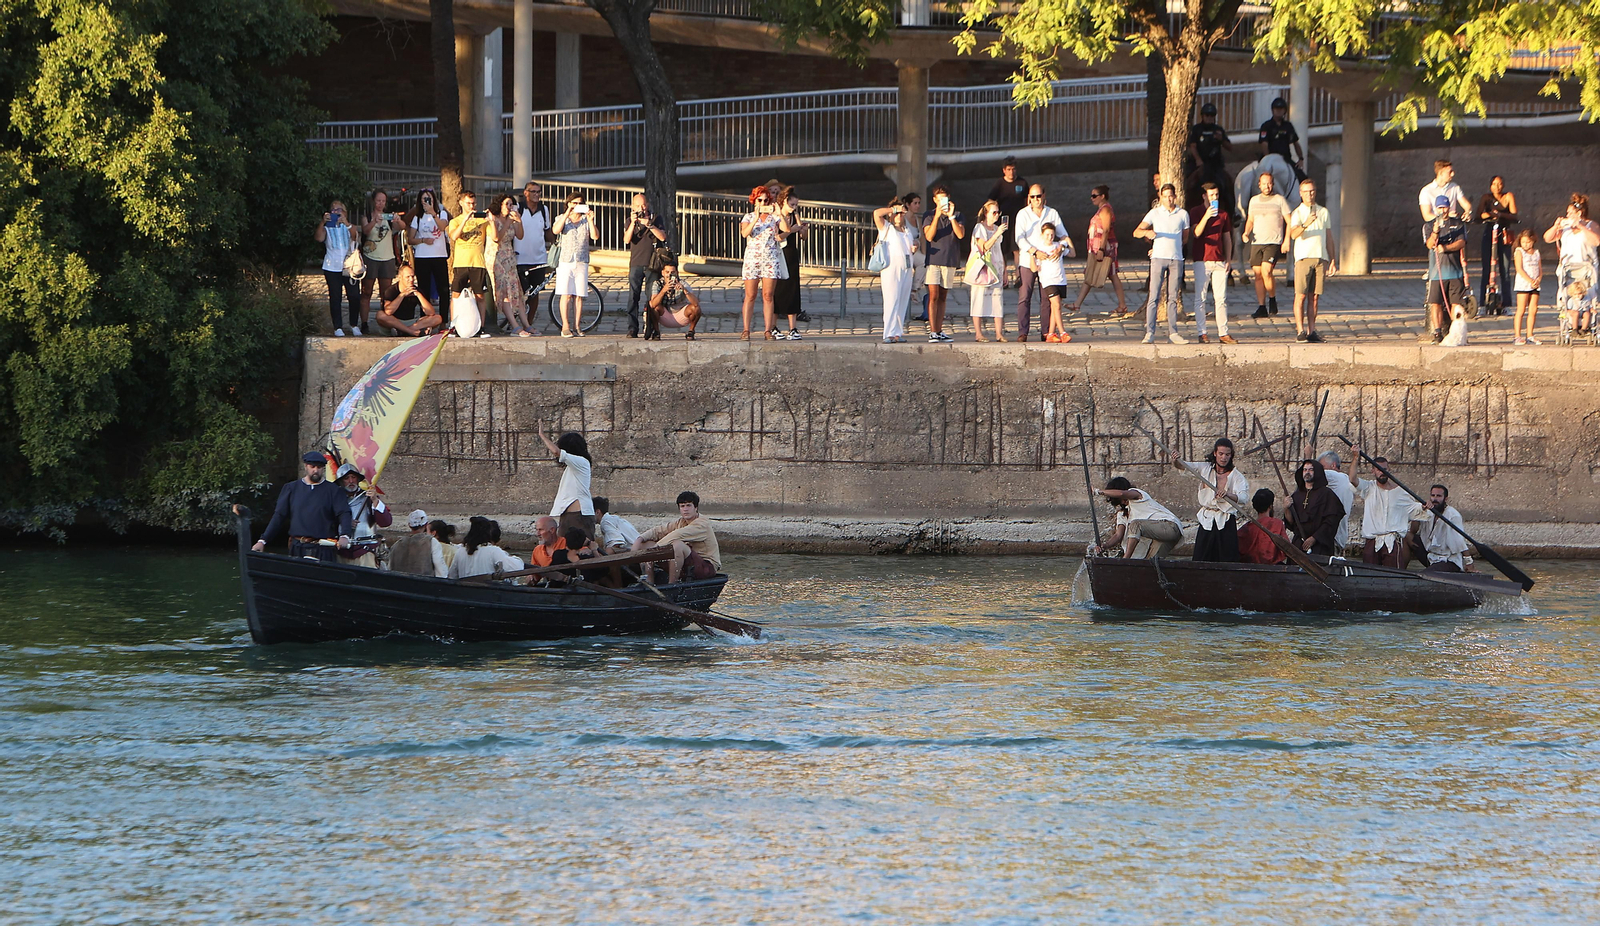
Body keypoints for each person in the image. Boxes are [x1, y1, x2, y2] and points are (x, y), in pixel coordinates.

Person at [253, 451, 354, 560]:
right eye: (312, 466)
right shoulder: (291, 488)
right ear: (306, 466)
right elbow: (279, 516)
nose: (315, 470)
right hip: (298, 548)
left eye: (319, 467)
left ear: (323, 468)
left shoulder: (333, 490)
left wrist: (345, 535)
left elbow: (344, 513)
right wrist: (262, 541)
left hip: (324, 548)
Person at [1175, 438, 1249, 562]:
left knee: (1227, 558)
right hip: (1207, 519)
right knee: (1201, 557)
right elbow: (1184, 467)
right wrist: (1176, 460)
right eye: (1221, 454)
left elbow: (1243, 498)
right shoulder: (1205, 468)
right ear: (1215, 453)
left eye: (1227, 454)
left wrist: (1228, 495)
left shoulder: (1237, 476)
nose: (1224, 458)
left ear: (1231, 455)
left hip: (1225, 520)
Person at [1134, 183, 1190, 345]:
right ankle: (1150, 332)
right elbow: (1136, 231)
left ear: (1175, 196)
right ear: (1161, 197)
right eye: (1165, 196)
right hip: (1158, 258)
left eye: (1171, 195)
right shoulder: (1155, 213)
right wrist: (1147, 233)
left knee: (1172, 297)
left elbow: (1185, 237)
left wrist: (1176, 247)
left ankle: (1173, 332)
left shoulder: (1182, 214)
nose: (1168, 199)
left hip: (1176, 258)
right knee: (1154, 296)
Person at [1014, 185, 1069, 342]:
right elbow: (1019, 237)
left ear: (1044, 195)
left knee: (1047, 297)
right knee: (1025, 295)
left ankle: (1047, 332)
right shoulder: (1023, 214)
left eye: (1038, 196)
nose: (1035, 200)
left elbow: (1064, 235)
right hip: (1029, 260)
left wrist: (1061, 247)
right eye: (1032, 197)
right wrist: (1033, 251)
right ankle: (1022, 331)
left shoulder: (1052, 213)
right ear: (1028, 198)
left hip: (1048, 264)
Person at [631, 491, 722, 583]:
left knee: (677, 545)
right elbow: (658, 531)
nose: (685, 509)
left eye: (688, 505)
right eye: (682, 506)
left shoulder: (702, 524)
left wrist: (654, 550)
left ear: (696, 508)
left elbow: (678, 535)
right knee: (645, 545)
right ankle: (649, 580)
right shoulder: (681, 522)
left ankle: (672, 584)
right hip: (687, 564)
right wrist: (639, 539)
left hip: (706, 567)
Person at [1543, 193, 1600, 340]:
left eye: (1570, 213)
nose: (1567, 215)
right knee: (1566, 295)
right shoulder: (1565, 229)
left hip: (1587, 269)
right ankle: (1570, 324)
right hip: (1569, 269)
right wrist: (1556, 226)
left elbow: (1596, 241)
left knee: (1589, 296)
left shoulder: (1590, 225)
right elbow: (1547, 238)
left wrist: (1580, 226)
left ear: (1579, 213)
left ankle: (1588, 325)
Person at [1345, 449, 1412, 568]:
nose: (1382, 472)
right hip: (1372, 540)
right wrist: (1356, 457)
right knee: (1369, 575)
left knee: (1393, 575)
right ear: (1373, 471)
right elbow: (1352, 479)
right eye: (1378, 469)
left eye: (1385, 469)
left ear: (1389, 470)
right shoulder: (1368, 488)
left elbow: (1415, 510)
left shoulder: (1401, 492)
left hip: (1392, 541)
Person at [738, 186, 790, 341]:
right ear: (754, 200)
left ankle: (768, 330)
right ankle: (746, 330)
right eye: (760, 200)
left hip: (770, 258)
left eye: (766, 200)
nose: (763, 202)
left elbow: (786, 229)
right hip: (753, 259)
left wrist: (779, 213)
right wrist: (756, 217)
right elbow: (745, 233)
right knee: (750, 295)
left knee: (768, 295)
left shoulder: (774, 218)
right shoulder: (748, 217)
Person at [1288, 178, 1336, 343]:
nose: (1310, 194)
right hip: (1303, 257)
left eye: (1312, 191)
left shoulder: (1323, 212)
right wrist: (1306, 224)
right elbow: (1293, 234)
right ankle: (1300, 330)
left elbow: (1329, 237)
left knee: (1314, 296)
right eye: (1306, 192)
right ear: (1301, 194)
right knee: (1300, 295)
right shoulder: (1297, 213)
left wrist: (1332, 259)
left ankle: (1312, 330)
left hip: (1319, 257)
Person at [1090, 476, 1184, 559]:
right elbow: (1118, 536)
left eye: (1121, 500)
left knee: (1136, 524)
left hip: (1170, 527)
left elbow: (1122, 494)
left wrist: (1097, 492)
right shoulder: (1123, 514)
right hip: (1162, 539)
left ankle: (1125, 560)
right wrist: (1104, 546)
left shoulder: (1137, 494)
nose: (1122, 502)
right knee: (1150, 565)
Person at [1070, 185, 1128, 317]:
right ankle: (1077, 304)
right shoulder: (1101, 209)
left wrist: (1102, 248)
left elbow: (1106, 230)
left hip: (1105, 247)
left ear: (1102, 196)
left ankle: (1122, 305)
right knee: (1093, 272)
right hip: (1097, 247)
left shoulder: (1106, 210)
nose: (1092, 198)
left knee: (1111, 274)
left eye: (1094, 196)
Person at [1189, 181, 1236, 344]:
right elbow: (1196, 233)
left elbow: (1227, 238)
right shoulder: (1196, 212)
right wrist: (1207, 216)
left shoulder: (1223, 215)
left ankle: (1223, 332)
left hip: (1219, 260)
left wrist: (1228, 259)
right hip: (1202, 259)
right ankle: (1202, 332)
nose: (1214, 198)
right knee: (1200, 298)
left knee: (1221, 298)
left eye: (1216, 195)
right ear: (1204, 196)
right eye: (1211, 195)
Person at [1243, 171, 1292, 319]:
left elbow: (1289, 221)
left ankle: (1272, 298)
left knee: (1267, 271)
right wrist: (1246, 232)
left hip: (1273, 241)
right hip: (1258, 241)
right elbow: (1251, 219)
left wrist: (1287, 240)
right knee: (1258, 275)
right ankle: (1261, 306)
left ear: (1273, 184)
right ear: (1259, 185)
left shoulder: (1279, 200)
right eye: (1264, 183)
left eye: (1269, 183)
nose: (1267, 186)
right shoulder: (1254, 201)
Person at [921, 185, 966, 343]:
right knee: (933, 295)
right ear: (935, 200)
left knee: (943, 296)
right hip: (934, 261)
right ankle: (933, 331)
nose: (942, 202)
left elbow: (960, 234)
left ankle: (939, 330)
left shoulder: (958, 215)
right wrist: (937, 216)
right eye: (939, 199)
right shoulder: (928, 215)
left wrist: (951, 216)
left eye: (944, 199)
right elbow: (929, 236)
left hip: (950, 260)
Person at [358, 189, 406, 334]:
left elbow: (403, 227)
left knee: (386, 294)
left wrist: (397, 220)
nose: (380, 203)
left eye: (383, 201)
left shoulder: (389, 218)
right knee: (366, 292)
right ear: (373, 201)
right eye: (378, 200)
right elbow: (366, 231)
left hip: (387, 258)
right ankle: (364, 323)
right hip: (370, 258)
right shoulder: (366, 216)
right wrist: (374, 221)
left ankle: (385, 323)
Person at [551, 193, 599, 338]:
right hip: (566, 260)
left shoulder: (585, 220)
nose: (577, 205)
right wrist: (567, 213)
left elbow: (595, 236)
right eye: (575, 203)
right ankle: (565, 325)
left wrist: (591, 220)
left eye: (580, 203)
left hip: (581, 260)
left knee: (579, 295)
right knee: (565, 294)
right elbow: (555, 230)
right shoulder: (561, 218)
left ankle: (576, 325)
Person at [1422, 195, 1469, 344]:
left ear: (1449, 207)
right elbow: (1429, 244)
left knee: (1456, 302)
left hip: (1455, 270)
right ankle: (1437, 332)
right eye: (1440, 207)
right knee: (1435, 302)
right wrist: (1435, 231)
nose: (1443, 210)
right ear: (1436, 209)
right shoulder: (1429, 225)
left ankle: (1456, 331)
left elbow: (1461, 242)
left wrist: (1446, 248)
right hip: (1437, 272)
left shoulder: (1458, 224)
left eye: (1445, 207)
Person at [872, 194, 918, 344]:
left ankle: (898, 332)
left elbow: (909, 247)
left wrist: (914, 247)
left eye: (902, 213)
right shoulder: (886, 227)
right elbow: (876, 214)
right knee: (891, 299)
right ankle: (888, 332)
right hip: (891, 269)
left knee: (903, 300)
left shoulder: (906, 231)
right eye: (897, 213)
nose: (899, 216)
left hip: (906, 268)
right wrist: (891, 209)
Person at [447, 190, 493, 334]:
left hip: (478, 263)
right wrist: (466, 219)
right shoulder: (455, 221)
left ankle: (481, 327)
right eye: (468, 203)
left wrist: (491, 220)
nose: (471, 206)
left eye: (473, 203)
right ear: (461, 203)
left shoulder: (482, 221)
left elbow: (495, 237)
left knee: (480, 296)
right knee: (455, 295)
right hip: (461, 263)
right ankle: (453, 326)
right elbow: (454, 236)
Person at [624, 192, 668, 338]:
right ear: (632, 207)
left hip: (652, 263)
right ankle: (632, 328)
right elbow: (626, 240)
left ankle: (652, 327)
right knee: (633, 297)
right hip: (636, 262)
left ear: (647, 205)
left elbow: (662, 236)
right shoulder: (630, 220)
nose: (641, 208)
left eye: (643, 204)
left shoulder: (656, 218)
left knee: (652, 297)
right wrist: (632, 222)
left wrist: (649, 224)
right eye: (637, 205)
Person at [315, 200, 362, 336]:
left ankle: (354, 324)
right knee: (335, 297)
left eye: (339, 209)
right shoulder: (327, 227)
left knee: (354, 296)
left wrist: (346, 223)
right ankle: (338, 327)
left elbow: (355, 237)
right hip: (332, 265)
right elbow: (318, 238)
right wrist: (323, 222)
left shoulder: (348, 226)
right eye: (333, 210)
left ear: (345, 212)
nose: (336, 212)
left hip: (349, 266)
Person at [540, 428, 594, 541]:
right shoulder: (572, 467)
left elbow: (556, 451)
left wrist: (542, 436)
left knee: (584, 550)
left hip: (579, 515)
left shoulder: (582, 462)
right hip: (567, 515)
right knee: (563, 549)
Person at [1283, 458, 1345, 556]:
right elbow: (1291, 522)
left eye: (1311, 469)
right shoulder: (1296, 495)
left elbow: (1331, 521)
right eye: (1305, 470)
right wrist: (1286, 508)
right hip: (1299, 545)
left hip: (1320, 545)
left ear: (1317, 472)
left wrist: (1314, 538)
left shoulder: (1327, 494)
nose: (1307, 472)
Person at [406, 188, 451, 325]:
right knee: (423, 289)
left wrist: (433, 213)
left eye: (429, 198)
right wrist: (423, 240)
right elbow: (410, 239)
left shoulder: (441, 213)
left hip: (439, 255)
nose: (427, 201)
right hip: (422, 257)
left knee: (443, 288)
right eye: (424, 198)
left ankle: (443, 319)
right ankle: (424, 319)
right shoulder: (417, 218)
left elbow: (443, 227)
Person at [334, 463, 392, 568]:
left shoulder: (368, 498)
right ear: (341, 481)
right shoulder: (334, 500)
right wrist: (344, 522)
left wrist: (375, 500)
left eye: (353, 477)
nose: (351, 481)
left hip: (365, 550)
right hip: (341, 551)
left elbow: (385, 522)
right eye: (347, 478)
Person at [966, 200, 1008, 341]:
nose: (996, 215)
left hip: (996, 267)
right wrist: (996, 235)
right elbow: (984, 247)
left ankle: (999, 333)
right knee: (979, 298)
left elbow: (999, 250)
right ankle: (978, 333)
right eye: (994, 212)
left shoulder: (996, 229)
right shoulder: (980, 228)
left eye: (998, 212)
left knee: (997, 300)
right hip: (982, 268)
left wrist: (1005, 269)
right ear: (986, 213)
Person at [489, 192, 530, 336]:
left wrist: (518, 221)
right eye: (506, 204)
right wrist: (507, 223)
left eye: (511, 204)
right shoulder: (494, 219)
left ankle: (526, 324)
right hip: (497, 257)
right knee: (504, 292)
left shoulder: (510, 220)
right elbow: (496, 238)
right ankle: (514, 325)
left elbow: (520, 235)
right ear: (499, 205)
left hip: (509, 257)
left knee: (516, 291)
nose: (509, 207)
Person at [1406, 484, 1472, 572]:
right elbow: (1413, 531)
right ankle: (1401, 571)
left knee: (1426, 574)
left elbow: (1459, 542)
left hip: (1448, 561)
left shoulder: (1453, 515)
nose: (1435, 499)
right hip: (1430, 557)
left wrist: (1469, 563)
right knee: (1406, 536)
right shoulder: (1428, 511)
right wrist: (1421, 512)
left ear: (1445, 499)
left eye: (1439, 496)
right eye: (1433, 496)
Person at [1477, 175, 1519, 313]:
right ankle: (1483, 304)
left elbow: (1514, 215)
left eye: (1500, 184)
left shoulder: (1508, 196)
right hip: (1489, 232)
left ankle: (1506, 304)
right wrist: (1490, 215)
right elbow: (1479, 215)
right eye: (1494, 184)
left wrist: (1500, 215)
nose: (1497, 186)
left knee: (1505, 270)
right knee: (1486, 269)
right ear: (1490, 186)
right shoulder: (1486, 198)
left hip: (1504, 233)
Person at [987, 156, 1029, 283]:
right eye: (1009, 169)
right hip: (1003, 221)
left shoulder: (1022, 183)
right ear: (1004, 170)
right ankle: (1004, 277)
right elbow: (990, 200)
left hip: (1019, 221)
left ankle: (1018, 276)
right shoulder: (999, 184)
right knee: (1003, 250)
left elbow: (1027, 201)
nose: (1012, 172)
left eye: (1014, 169)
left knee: (1017, 249)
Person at [1028, 224, 1073, 343]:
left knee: (1055, 308)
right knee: (1057, 304)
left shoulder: (1058, 246)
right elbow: (1033, 269)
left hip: (1060, 279)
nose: (1050, 237)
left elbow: (1072, 253)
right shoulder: (1039, 249)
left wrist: (1066, 242)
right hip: (1048, 281)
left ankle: (1051, 333)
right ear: (1042, 235)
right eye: (1047, 234)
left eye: (1052, 235)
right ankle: (1063, 332)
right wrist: (1032, 255)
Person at [774, 187, 808, 339]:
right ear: (784, 202)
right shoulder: (777, 217)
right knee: (778, 290)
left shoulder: (795, 216)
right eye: (792, 204)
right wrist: (791, 230)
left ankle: (792, 328)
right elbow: (779, 237)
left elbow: (803, 237)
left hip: (792, 254)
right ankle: (773, 326)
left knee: (793, 290)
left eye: (796, 205)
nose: (794, 208)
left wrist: (804, 229)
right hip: (779, 254)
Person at [373, 264, 443, 337]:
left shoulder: (417, 290)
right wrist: (402, 295)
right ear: (400, 277)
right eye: (408, 277)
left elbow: (431, 313)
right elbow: (388, 311)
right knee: (380, 315)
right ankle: (409, 331)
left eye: (412, 276)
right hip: (393, 323)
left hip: (412, 323)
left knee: (437, 318)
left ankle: (404, 331)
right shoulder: (391, 290)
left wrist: (419, 295)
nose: (411, 279)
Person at [645, 259, 705, 341]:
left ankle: (691, 331)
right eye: (667, 272)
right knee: (653, 306)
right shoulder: (657, 283)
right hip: (664, 314)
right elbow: (653, 304)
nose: (669, 275)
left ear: (676, 273)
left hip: (680, 313)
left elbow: (696, 303)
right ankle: (656, 331)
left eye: (672, 272)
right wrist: (663, 290)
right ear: (663, 273)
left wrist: (684, 290)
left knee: (696, 308)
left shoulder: (682, 283)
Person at [448, 516, 524, 579]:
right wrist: (517, 559)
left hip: (465, 592)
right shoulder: (493, 551)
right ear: (488, 533)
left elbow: (452, 575)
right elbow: (516, 568)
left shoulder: (461, 551)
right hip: (487, 592)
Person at [1312, 448, 1355, 552]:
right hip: (1338, 537)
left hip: (1331, 537)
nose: (1321, 470)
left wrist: (1307, 456)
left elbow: (1312, 474)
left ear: (1333, 466)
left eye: (1322, 467)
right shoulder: (1345, 481)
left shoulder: (1337, 477)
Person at [514, 181, 552, 294]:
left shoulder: (544, 209)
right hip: (520, 259)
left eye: (538, 192)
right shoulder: (518, 208)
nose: (536, 194)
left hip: (539, 259)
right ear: (526, 193)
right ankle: (521, 312)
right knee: (521, 292)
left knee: (535, 292)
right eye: (533, 191)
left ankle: (532, 312)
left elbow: (547, 230)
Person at [390, 509, 448, 577]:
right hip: (424, 585)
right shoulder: (432, 542)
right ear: (426, 524)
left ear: (409, 525)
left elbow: (390, 569)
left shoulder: (397, 544)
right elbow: (441, 571)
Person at [1237, 488, 1288, 565]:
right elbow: (1286, 549)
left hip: (1249, 568)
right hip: (1273, 568)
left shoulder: (1246, 527)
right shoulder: (1277, 524)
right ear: (1270, 506)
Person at [1188, 102, 1233, 187]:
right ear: (1202, 116)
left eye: (1212, 115)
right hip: (1199, 163)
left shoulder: (1218, 129)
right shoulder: (1197, 129)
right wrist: (1198, 159)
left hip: (1215, 164)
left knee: (1226, 183)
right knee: (1189, 182)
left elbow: (1230, 147)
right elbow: (1192, 146)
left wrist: (1221, 139)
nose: (1209, 117)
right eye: (1207, 115)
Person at [1512, 228, 1543, 345]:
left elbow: (1540, 269)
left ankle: (1530, 334)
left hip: (1535, 284)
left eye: (1528, 242)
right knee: (1521, 310)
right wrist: (1530, 280)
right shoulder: (1519, 251)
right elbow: (1519, 268)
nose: (1526, 244)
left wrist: (1538, 279)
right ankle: (1517, 335)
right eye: (1523, 242)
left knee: (1533, 310)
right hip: (1523, 284)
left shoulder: (1536, 253)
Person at [1257, 98, 1303, 177]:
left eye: (1281, 109)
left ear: (1284, 111)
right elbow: (1264, 144)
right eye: (1276, 108)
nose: (1278, 111)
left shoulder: (1288, 126)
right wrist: (1268, 159)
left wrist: (1301, 159)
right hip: (1270, 158)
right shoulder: (1266, 126)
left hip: (1285, 159)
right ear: (1272, 110)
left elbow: (1296, 142)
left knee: (1302, 177)